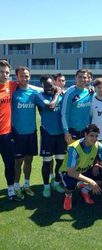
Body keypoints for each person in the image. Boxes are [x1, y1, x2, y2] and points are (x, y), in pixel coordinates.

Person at [59, 124, 102, 210]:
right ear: (85, 135)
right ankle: (68, 195)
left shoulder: (98, 145)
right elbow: (71, 172)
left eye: (96, 136)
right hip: (68, 172)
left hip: (85, 170)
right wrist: (91, 181)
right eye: (91, 135)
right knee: (70, 183)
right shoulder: (73, 148)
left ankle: (84, 190)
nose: (94, 138)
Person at [36, 75, 66, 198]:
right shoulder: (39, 96)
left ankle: (57, 183)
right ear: (42, 85)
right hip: (47, 134)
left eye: (50, 85)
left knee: (60, 161)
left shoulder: (62, 94)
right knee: (47, 162)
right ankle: (46, 187)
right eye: (46, 85)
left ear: (54, 83)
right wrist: (57, 94)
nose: (49, 87)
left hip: (60, 134)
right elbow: (50, 106)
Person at [12, 66, 39, 199]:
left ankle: (26, 185)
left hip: (31, 133)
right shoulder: (13, 92)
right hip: (17, 134)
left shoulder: (34, 93)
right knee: (18, 163)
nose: (25, 78)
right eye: (22, 76)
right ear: (17, 77)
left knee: (29, 160)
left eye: (27, 76)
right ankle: (16, 187)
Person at [0, 59, 18, 200]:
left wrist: (56, 88)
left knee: (10, 163)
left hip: (6, 135)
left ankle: (11, 190)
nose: (4, 75)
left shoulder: (10, 85)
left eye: (6, 72)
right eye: (1, 72)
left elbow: (27, 85)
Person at [61, 69, 93, 145]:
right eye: (80, 77)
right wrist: (66, 132)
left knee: (86, 155)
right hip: (72, 131)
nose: (82, 79)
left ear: (88, 79)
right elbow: (64, 114)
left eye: (84, 77)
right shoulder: (69, 93)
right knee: (73, 156)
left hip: (86, 131)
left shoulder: (90, 92)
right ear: (75, 78)